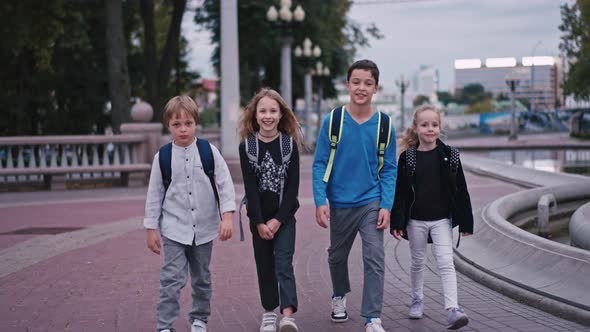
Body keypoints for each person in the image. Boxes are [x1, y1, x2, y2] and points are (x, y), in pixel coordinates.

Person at [312, 60, 397, 332]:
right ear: (347, 85)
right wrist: (319, 200)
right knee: (337, 256)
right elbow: (319, 163)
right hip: (339, 203)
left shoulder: (384, 125)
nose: (361, 88)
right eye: (356, 82)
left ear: (376, 88)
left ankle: (372, 317)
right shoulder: (333, 121)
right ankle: (339, 295)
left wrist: (386, 204)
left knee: (374, 257)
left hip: (370, 202)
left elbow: (390, 169)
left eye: (368, 83)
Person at [143, 95, 235, 332]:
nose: (183, 129)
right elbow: (154, 194)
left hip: (204, 229)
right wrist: (151, 229)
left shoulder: (208, 151)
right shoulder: (162, 157)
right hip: (174, 229)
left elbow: (225, 184)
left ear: (196, 123)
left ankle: (199, 319)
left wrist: (227, 217)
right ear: (168, 126)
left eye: (188, 123)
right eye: (176, 124)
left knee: (202, 279)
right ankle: (165, 326)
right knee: (171, 279)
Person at [390, 104, 474, 330]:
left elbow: (461, 191)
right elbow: (400, 194)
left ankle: (452, 309)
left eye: (434, 125)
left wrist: (466, 222)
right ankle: (417, 300)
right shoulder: (408, 158)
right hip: (415, 220)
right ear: (416, 128)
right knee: (417, 263)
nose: (430, 129)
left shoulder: (451, 156)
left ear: (440, 128)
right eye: (424, 125)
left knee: (446, 262)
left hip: (442, 220)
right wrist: (397, 222)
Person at [238, 88, 302, 332]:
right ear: (255, 115)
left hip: (284, 218)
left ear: (281, 114)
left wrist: (278, 220)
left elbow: (292, 188)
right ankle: (269, 312)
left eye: (273, 111)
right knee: (264, 265)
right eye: (262, 111)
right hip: (259, 220)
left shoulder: (289, 145)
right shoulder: (248, 147)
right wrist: (260, 222)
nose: (268, 116)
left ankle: (287, 316)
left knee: (283, 264)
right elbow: (250, 188)